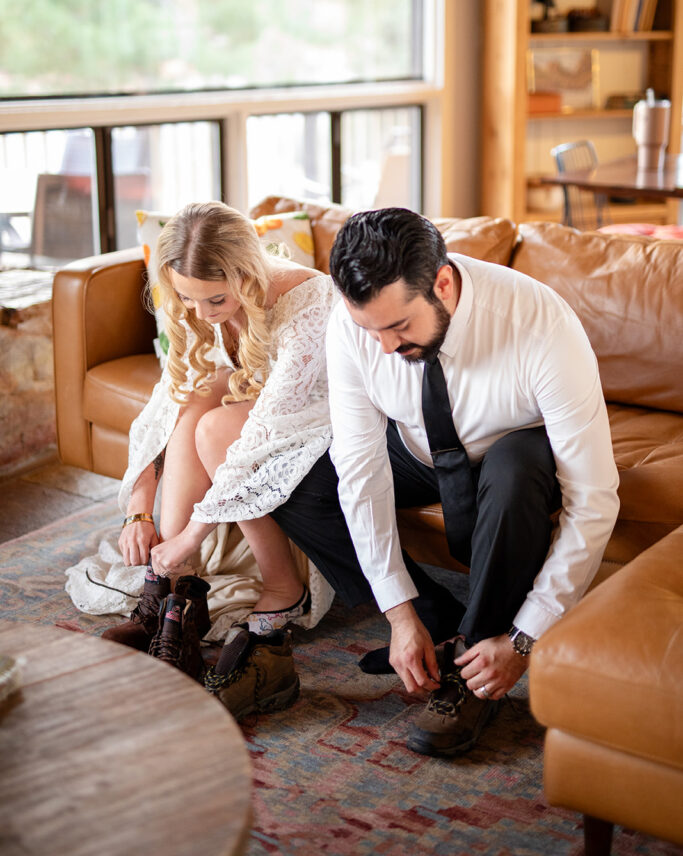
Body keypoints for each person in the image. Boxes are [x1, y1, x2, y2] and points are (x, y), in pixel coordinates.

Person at [269, 207, 620, 758]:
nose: (384, 348)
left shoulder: (540, 325)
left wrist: (527, 635)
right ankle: (434, 623)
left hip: (511, 453)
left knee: (513, 471)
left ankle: (481, 655)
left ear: (444, 283)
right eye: (371, 329)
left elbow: (594, 499)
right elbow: (360, 468)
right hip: (415, 447)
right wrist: (398, 612)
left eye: (400, 327)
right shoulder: (354, 325)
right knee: (290, 484)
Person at [67, 201, 336, 665]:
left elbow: (267, 428)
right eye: (188, 298)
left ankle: (283, 585)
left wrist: (192, 535)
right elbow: (166, 404)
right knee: (196, 400)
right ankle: (173, 590)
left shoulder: (309, 304)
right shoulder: (193, 305)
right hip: (260, 409)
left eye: (216, 299)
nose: (202, 312)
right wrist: (139, 511)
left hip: (321, 417)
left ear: (247, 274)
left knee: (214, 429)